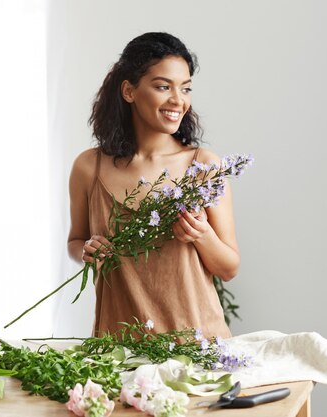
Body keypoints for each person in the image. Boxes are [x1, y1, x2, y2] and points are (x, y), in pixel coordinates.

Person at [67, 32, 240, 339]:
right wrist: (87, 250)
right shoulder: (88, 167)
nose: (178, 100)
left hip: (199, 350)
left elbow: (228, 267)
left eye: (185, 88)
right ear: (129, 91)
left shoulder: (204, 166)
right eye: (163, 86)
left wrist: (202, 235)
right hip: (119, 352)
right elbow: (76, 242)